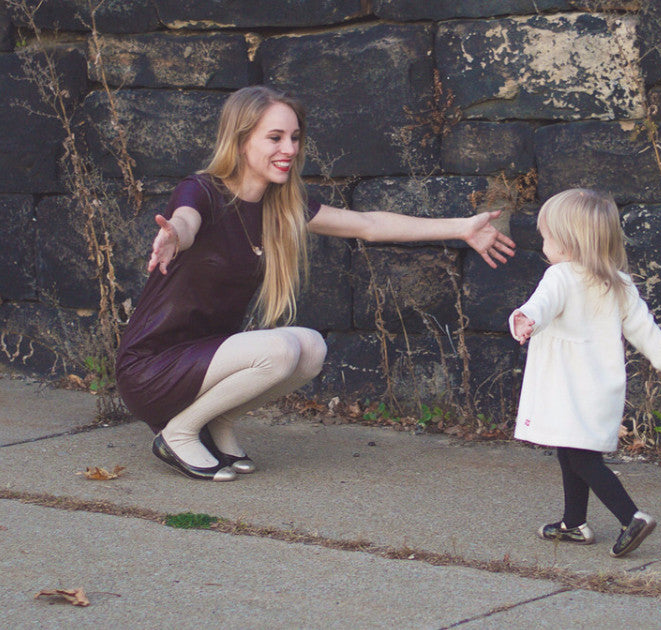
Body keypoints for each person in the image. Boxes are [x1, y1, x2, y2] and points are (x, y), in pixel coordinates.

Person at [116, 85, 516, 482]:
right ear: (240, 141)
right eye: (274, 137)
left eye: (294, 137)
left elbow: (369, 225)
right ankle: (179, 433)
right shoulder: (201, 189)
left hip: (204, 362)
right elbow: (186, 220)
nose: (289, 148)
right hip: (151, 369)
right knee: (278, 349)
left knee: (310, 348)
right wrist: (175, 236)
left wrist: (463, 228)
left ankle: (215, 422)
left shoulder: (280, 205)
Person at [509, 188, 661, 558]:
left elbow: (542, 304)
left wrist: (526, 318)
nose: (543, 244)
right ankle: (573, 523)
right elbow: (645, 329)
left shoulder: (559, 275)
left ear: (567, 242)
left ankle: (632, 517)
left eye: (547, 237)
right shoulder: (619, 283)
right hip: (599, 387)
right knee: (570, 449)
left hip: (566, 385)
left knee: (580, 457)